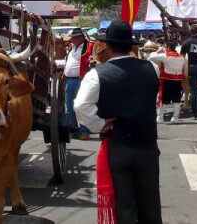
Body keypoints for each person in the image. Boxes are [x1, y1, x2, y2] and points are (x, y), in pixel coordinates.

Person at [74, 21, 162, 224]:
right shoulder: (152, 69)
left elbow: (80, 106)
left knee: (125, 206)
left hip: (118, 145)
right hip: (148, 146)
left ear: (109, 46)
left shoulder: (97, 75)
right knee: (150, 205)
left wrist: (99, 124)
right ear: (131, 46)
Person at [63, 28, 93, 140]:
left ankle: (85, 130)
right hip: (69, 79)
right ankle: (74, 129)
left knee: (82, 106)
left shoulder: (90, 46)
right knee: (70, 106)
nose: (73, 39)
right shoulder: (72, 48)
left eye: (75, 37)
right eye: (73, 38)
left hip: (81, 80)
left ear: (81, 37)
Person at [148, 41, 186, 124]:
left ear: (168, 47)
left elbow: (151, 57)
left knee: (163, 99)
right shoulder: (181, 57)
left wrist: (158, 51)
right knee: (176, 100)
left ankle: (160, 118)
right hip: (178, 80)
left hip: (167, 80)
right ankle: (175, 118)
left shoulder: (165, 56)